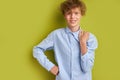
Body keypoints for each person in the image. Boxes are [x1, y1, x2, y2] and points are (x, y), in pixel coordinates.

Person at [33, 0, 98, 80]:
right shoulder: (56, 35)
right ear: (64, 15)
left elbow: (87, 68)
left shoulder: (90, 38)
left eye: (76, 13)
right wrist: (51, 67)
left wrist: (83, 43)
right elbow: (37, 50)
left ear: (81, 14)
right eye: (69, 13)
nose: (72, 17)